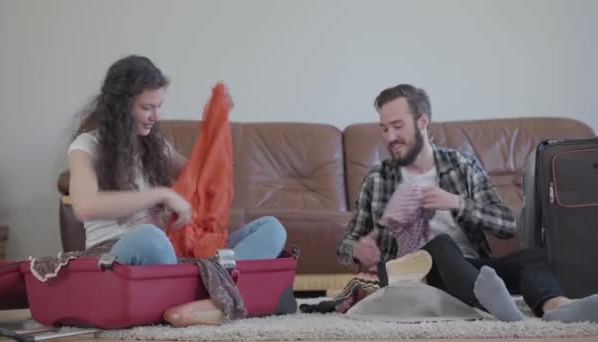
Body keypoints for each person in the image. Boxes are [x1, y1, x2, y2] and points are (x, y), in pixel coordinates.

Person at [337, 83, 598, 323]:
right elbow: (347, 244)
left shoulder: (461, 166)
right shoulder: (377, 178)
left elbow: (507, 224)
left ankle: (557, 307)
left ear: (422, 122)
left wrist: (458, 203)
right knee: (440, 246)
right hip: (415, 277)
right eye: (384, 128)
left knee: (530, 258)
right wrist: (357, 250)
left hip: (472, 271)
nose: (390, 136)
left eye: (397, 126)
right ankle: (494, 306)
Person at [68, 54, 287, 266]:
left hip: (167, 254)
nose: (157, 117)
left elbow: (203, 179)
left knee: (272, 229)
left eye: (159, 106)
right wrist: (161, 194)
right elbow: (85, 206)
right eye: (147, 108)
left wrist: (216, 122)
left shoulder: (156, 146)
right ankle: (209, 289)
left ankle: (209, 290)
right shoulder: (86, 146)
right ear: (121, 108)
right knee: (150, 237)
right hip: (120, 251)